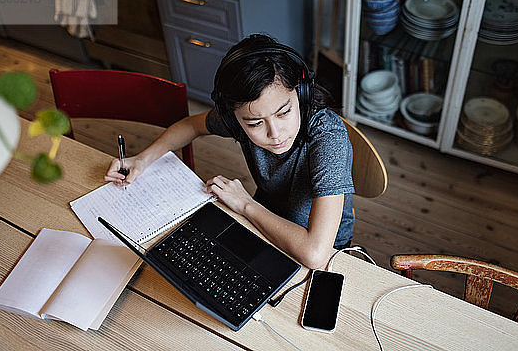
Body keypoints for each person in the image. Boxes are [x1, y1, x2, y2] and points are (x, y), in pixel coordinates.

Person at [105, 34, 354, 269]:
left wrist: (245, 204)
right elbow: (191, 125)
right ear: (233, 116)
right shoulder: (238, 116)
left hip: (325, 248)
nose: (275, 133)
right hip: (263, 223)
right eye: (255, 123)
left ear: (301, 92)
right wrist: (142, 159)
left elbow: (315, 253)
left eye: (284, 112)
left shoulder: (328, 137)